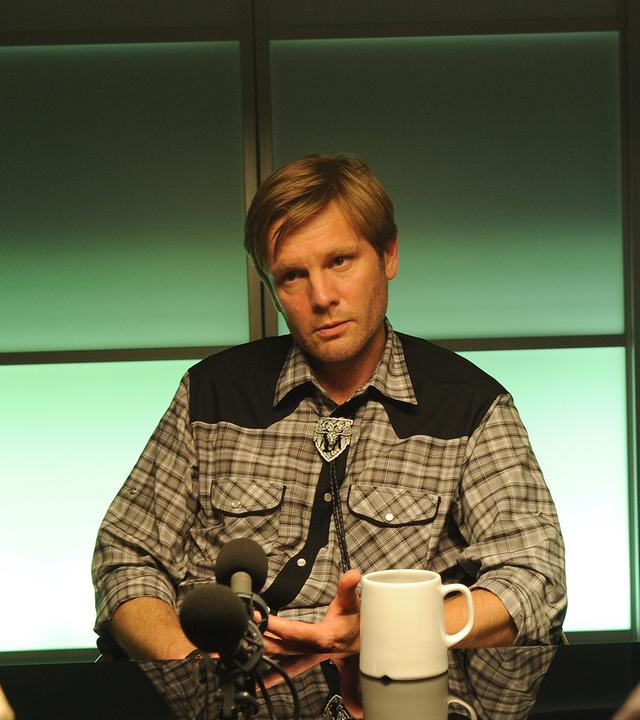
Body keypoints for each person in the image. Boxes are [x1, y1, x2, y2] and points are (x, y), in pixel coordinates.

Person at [92, 153, 567, 660]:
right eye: (293, 276)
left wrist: (384, 635)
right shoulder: (210, 395)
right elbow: (127, 556)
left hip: (397, 683)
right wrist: (192, 667)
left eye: (340, 261)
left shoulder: (470, 405)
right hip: (230, 685)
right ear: (271, 289)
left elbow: (535, 579)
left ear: (388, 255)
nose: (321, 296)